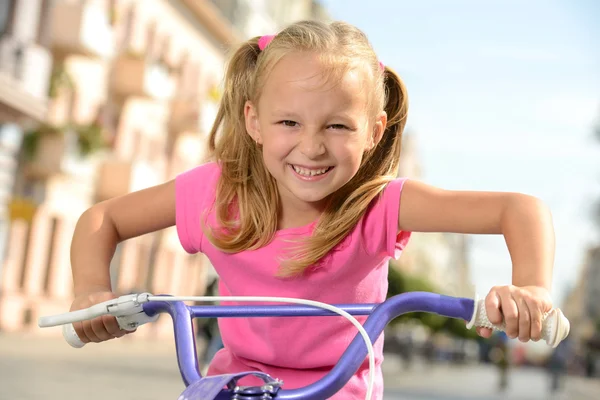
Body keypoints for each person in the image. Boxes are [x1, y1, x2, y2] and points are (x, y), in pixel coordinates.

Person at [68, 20, 556, 400]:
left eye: (338, 126)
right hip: (234, 382)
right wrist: (91, 289)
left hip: (340, 388)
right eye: (289, 122)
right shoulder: (217, 193)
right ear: (254, 121)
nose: (312, 146)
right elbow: (102, 219)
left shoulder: (378, 204)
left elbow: (521, 210)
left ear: (374, 131)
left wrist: (530, 286)